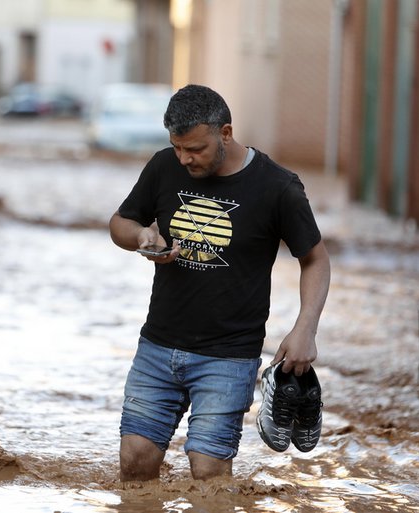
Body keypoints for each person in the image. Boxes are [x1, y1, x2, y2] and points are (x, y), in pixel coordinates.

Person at [109, 84, 330, 481]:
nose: (184, 158)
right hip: (158, 347)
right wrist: (141, 236)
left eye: (195, 149)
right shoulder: (163, 167)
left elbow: (315, 260)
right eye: (177, 147)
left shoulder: (278, 187)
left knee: (209, 474)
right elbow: (119, 223)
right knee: (135, 461)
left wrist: (305, 329)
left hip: (229, 357)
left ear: (225, 133)